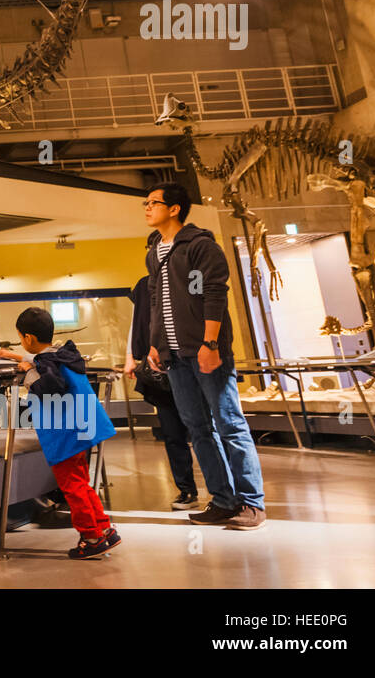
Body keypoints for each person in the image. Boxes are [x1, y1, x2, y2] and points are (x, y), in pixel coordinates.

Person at [143, 182, 266, 530]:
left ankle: (252, 504)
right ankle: (224, 501)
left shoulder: (200, 246)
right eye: (146, 203)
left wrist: (210, 344)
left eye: (153, 203)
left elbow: (214, 294)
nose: (147, 208)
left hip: (205, 352)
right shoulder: (155, 252)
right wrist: (156, 344)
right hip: (175, 356)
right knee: (197, 428)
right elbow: (156, 301)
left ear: (174, 209)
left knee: (229, 424)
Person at [12, 306, 120, 559]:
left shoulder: (45, 363)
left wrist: (28, 371)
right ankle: (104, 528)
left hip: (65, 433)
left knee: (72, 486)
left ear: (27, 338)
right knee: (82, 482)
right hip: (81, 429)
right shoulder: (62, 355)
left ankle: (91, 538)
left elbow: (49, 388)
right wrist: (21, 360)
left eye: (20, 338)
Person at [125, 275, 200, 510]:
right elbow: (137, 321)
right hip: (163, 371)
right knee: (172, 432)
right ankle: (187, 489)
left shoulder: (187, 278)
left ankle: (224, 491)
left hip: (191, 364)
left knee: (203, 430)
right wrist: (130, 356)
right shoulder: (145, 285)